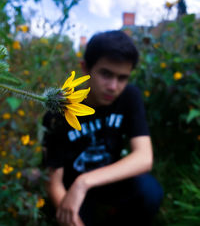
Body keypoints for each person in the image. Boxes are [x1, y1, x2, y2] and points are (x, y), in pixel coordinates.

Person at [42, 30, 163, 226]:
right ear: (85, 68)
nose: (113, 86)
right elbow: (53, 181)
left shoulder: (129, 97)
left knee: (150, 191)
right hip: (71, 189)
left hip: (107, 179)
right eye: (106, 74)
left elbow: (144, 158)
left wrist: (84, 182)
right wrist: (69, 203)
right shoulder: (59, 112)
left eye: (122, 77)